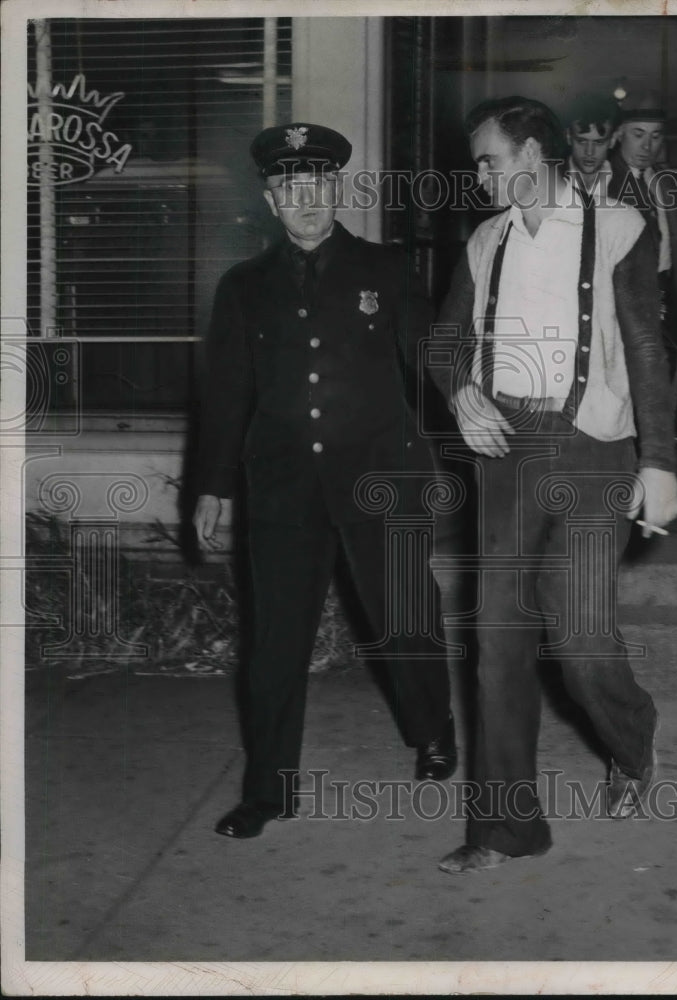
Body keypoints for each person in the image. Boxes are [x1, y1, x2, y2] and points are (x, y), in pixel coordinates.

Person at [431, 96, 677, 874]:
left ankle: (632, 744)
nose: (479, 174)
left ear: (533, 155)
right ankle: (505, 830)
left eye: (490, 159)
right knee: (498, 648)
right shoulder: (485, 241)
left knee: (578, 640)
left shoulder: (618, 229)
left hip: (591, 447)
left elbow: (645, 342)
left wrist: (661, 461)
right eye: (478, 161)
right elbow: (443, 340)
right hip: (506, 450)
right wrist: (460, 390)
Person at [193, 122, 456, 840]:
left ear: (337, 191)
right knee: (275, 640)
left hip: (382, 474)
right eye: (290, 188)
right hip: (281, 485)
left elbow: (430, 358)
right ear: (271, 201)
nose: (306, 200)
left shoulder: (388, 268)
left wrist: (465, 431)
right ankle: (269, 788)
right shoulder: (244, 286)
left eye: (318, 186)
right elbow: (226, 392)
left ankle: (433, 730)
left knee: (407, 618)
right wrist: (212, 484)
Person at [608, 90, 677, 425]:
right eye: (638, 134)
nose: (648, 146)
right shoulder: (599, 181)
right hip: (622, 297)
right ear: (618, 135)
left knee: (663, 379)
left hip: (665, 295)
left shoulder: (666, 182)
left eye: (656, 136)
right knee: (625, 386)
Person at [563, 92, 620, 198]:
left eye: (599, 142)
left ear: (612, 140)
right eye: (581, 141)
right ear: (568, 136)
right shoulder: (550, 178)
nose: (589, 152)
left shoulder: (626, 182)